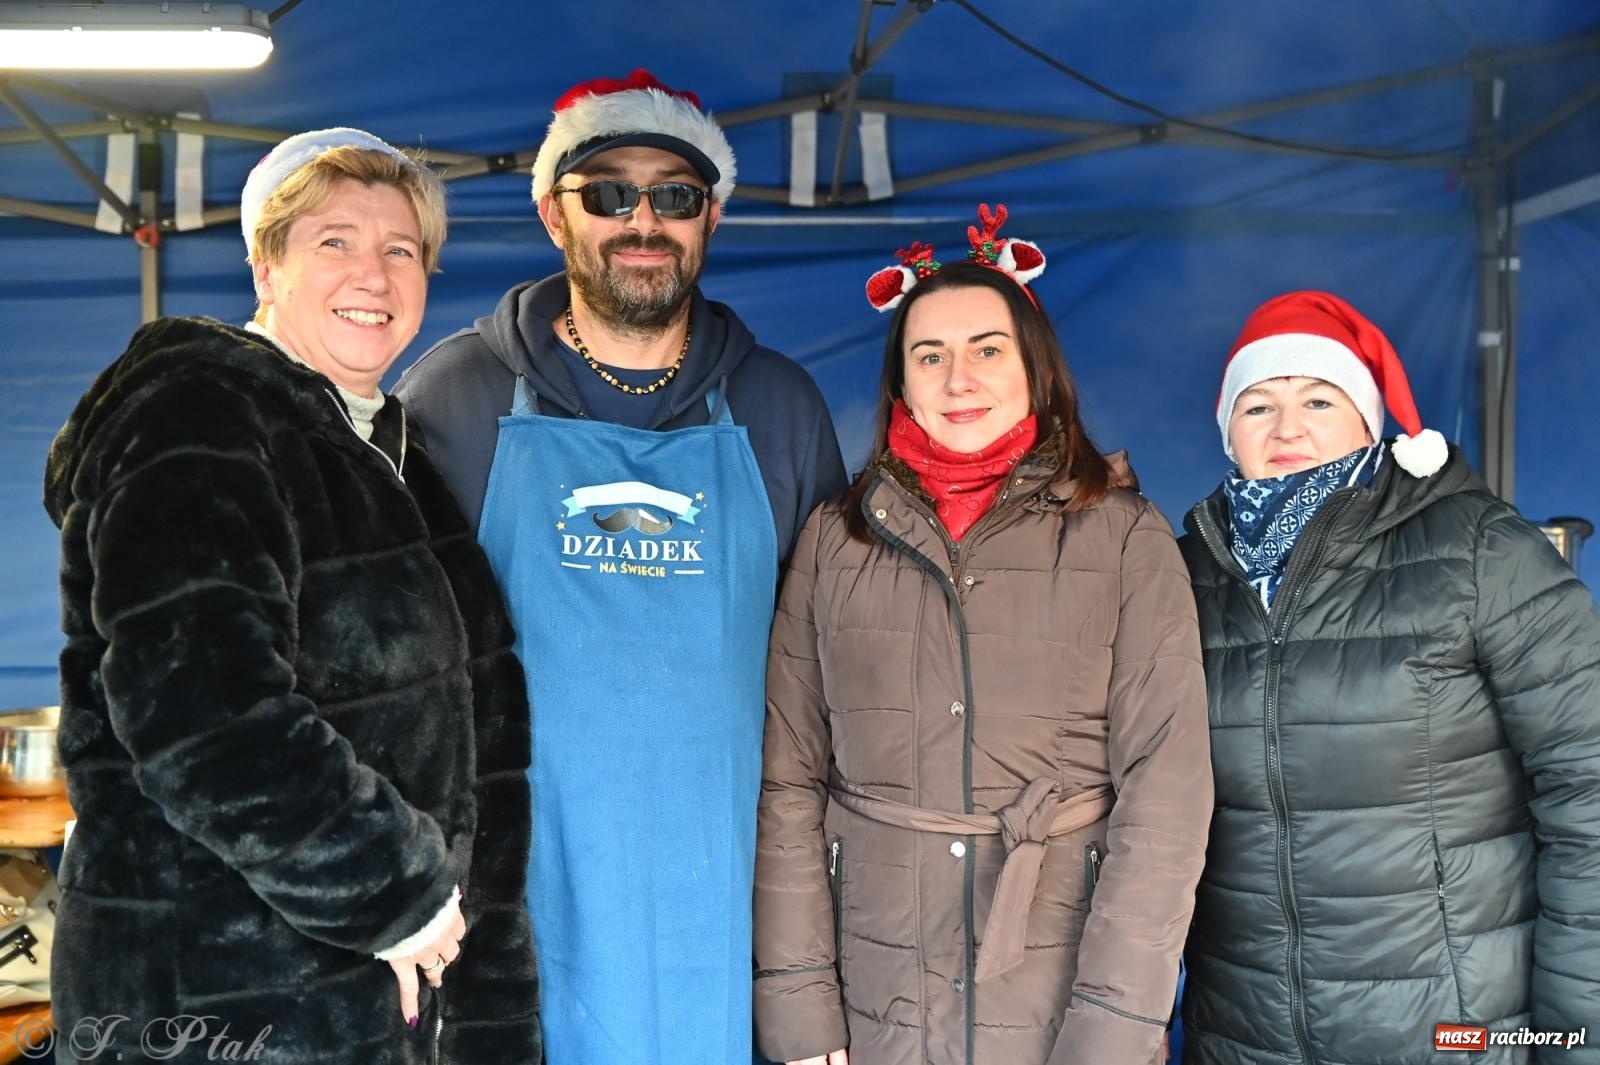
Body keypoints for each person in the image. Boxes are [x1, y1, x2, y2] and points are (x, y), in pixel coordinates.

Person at [42, 129, 540, 1064]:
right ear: (266, 265)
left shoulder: (391, 457)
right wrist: (398, 896)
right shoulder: (200, 410)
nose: (375, 274)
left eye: (402, 250)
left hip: (360, 1002)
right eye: (335, 242)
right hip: (220, 998)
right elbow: (203, 712)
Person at [392, 69, 846, 1065]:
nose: (642, 219)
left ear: (710, 219)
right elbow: (390, 665)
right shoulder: (455, 396)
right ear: (555, 215)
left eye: (673, 196)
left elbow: (829, 671)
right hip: (521, 891)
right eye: (607, 192)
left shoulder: (780, 407)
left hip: (726, 897)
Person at [752, 205, 1213, 1065]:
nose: (958, 378)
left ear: (1036, 370)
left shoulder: (1124, 536)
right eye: (930, 355)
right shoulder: (833, 540)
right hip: (877, 998)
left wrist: (1116, 1027)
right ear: (902, 381)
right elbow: (787, 782)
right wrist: (800, 1010)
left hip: (1060, 993)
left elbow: (1168, 795)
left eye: (987, 350)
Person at [1178, 291, 1600, 1065]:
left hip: (1448, 1033)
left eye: (1317, 397)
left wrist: (1578, 1033)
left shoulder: (1476, 549)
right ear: (1227, 431)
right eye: (1257, 405)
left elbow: (1590, 786)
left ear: (1369, 419)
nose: (1287, 427)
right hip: (1244, 1035)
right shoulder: (1185, 574)